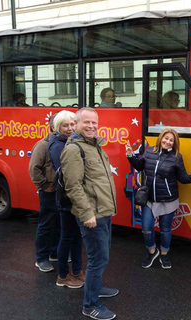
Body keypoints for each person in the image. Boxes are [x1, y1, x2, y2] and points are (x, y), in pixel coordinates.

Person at [61, 107, 118, 320]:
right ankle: (90, 305)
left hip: (103, 210)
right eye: (87, 122)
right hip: (92, 214)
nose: (92, 126)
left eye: (94, 122)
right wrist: (86, 214)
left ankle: (97, 287)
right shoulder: (75, 149)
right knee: (98, 258)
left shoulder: (95, 145)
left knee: (102, 255)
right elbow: (73, 186)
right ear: (76, 124)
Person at [125, 128, 191, 269]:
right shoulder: (150, 151)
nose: (168, 142)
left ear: (174, 143)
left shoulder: (176, 157)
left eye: (171, 140)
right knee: (146, 228)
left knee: (165, 229)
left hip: (168, 199)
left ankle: (164, 254)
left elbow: (182, 178)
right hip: (149, 199)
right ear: (161, 138)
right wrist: (130, 155)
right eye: (166, 138)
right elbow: (140, 167)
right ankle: (152, 251)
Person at [48, 110, 85, 288]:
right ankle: (63, 275)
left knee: (77, 236)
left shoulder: (70, 141)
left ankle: (77, 270)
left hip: (73, 198)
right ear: (57, 128)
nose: (70, 128)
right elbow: (68, 173)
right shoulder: (57, 145)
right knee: (67, 237)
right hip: (66, 199)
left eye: (72, 124)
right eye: (65, 125)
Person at [29, 113, 60, 273]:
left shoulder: (67, 143)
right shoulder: (42, 145)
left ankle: (55, 253)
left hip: (61, 191)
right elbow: (33, 169)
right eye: (63, 124)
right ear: (53, 127)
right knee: (46, 224)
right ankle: (41, 258)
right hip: (49, 191)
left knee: (59, 223)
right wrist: (44, 185)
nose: (69, 128)